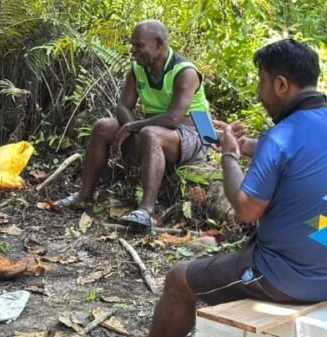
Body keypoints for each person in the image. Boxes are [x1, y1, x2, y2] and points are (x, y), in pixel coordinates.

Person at [149, 39, 327, 337]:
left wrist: (229, 156)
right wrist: (251, 146)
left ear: (281, 84)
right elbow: (296, 157)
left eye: (261, 81)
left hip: (296, 278)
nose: (258, 92)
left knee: (179, 279)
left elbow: (246, 210)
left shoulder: (280, 138)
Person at [55, 20, 211, 230]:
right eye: (133, 45)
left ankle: (147, 211)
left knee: (150, 133)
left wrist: (133, 128)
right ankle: (84, 195)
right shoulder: (138, 69)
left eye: (139, 46)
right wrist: (132, 126)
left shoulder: (185, 72)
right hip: (156, 128)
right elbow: (123, 106)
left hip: (194, 132)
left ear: (159, 44)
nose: (133, 51)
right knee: (103, 126)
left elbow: (173, 119)